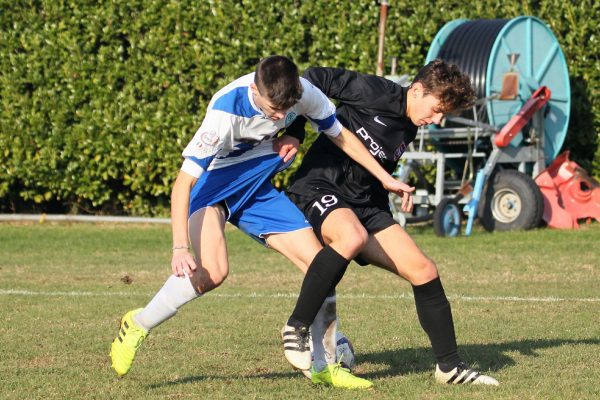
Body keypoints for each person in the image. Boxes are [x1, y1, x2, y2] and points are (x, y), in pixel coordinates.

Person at [109, 55, 414, 389]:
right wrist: (180, 247)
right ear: (254, 88)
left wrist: (385, 178)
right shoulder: (224, 113)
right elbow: (183, 184)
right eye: (273, 110)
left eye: (287, 109)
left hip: (256, 190)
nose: (281, 117)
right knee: (213, 272)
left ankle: (325, 365)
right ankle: (137, 324)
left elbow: (340, 135)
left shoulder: (304, 92)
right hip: (215, 190)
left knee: (322, 266)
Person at [283, 60, 500, 386]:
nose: (438, 120)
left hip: (367, 206)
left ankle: (449, 368)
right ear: (416, 90)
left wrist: (393, 190)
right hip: (320, 187)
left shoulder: (412, 123)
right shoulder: (374, 91)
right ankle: (296, 328)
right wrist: (294, 132)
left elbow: (372, 169)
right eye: (437, 109)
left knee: (424, 270)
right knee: (350, 235)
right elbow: (312, 79)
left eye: (444, 115)